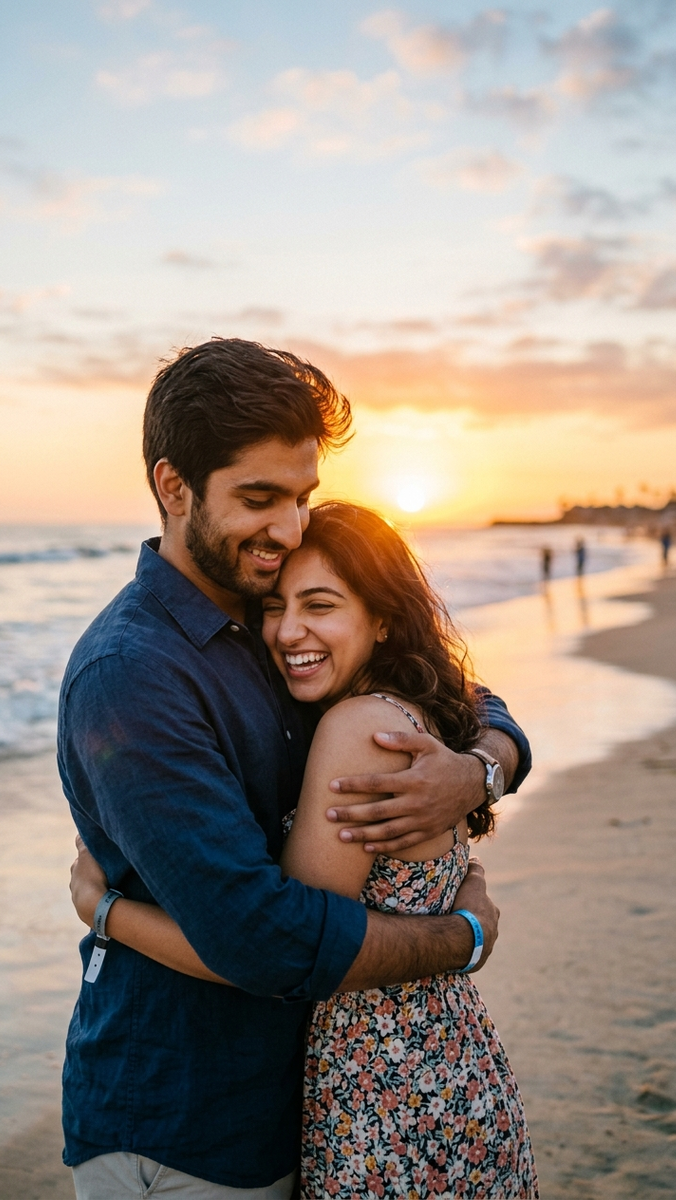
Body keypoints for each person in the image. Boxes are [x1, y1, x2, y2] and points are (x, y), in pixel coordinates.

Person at [58, 338, 531, 1199]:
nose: (288, 528)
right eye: (259, 498)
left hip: (296, 1109)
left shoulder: (268, 609)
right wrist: (461, 937)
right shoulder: (133, 677)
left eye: (302, 497)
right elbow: (264, 941)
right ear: (174, 487)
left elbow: (464, 692)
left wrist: (480, 773)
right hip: (181, 1127)